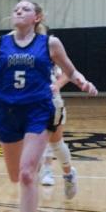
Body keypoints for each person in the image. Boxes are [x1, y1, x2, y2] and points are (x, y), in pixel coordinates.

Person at [0, 0, 97, 212]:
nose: (18, 11)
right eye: (16, 8)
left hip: (38, 110)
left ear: (37, 17)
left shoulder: (50, 43)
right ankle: (46, 169)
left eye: (26, 9)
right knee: (16, 176)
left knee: (28, 174)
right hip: (7, 111)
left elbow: (71, 71)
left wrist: (83, 82)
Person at [39, 66, 78, 198]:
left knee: (55, 143)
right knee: (35, 140)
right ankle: (45, 169)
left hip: (51, 102)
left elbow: (69, 72)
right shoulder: (16, 51)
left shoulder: (52, 47)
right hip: (28, 102)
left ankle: (68, 175)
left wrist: (57, 85)